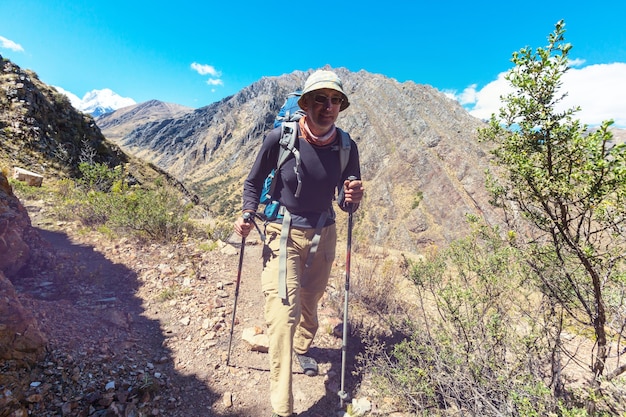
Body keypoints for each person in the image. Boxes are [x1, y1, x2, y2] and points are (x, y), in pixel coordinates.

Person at [234, 69, 364, 417]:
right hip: (282, 231)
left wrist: (353, 197)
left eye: (335, 99)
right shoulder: (279, 138)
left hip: (325, 231)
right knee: (282, 314)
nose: (328, 106)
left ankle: (303, 346)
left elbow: (345, 201)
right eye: (320, 99)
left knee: (311, 298)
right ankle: (283, 407)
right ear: (305, 103)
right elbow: (253, 182)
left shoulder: (347, 147)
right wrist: (249, 211)